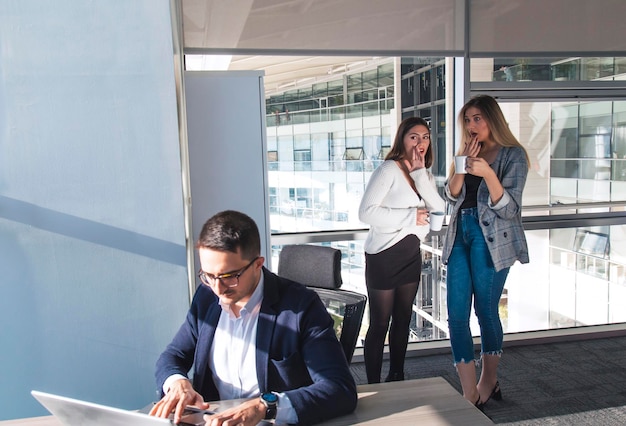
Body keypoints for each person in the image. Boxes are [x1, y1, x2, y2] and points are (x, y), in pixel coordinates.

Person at [150, 210, 357, 426]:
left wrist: (265, 406)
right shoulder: (206, 298)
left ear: (258, 264)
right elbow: (173, 355)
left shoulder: (301, 307)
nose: (218, 288)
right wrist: (177, 382)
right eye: (209, 276)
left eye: (229, 276)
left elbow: (339, 388)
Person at [441, 95, 530, 408]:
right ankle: (469, 391)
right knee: (455, 314)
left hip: (490, 237)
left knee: (485, 311)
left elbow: (510, 210)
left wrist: (489, 173)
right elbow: (449, 198)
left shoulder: (513, 155)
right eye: (467, 120)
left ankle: (488, 379)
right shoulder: (466, 153)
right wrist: (463, 166)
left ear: (493, 119)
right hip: (459, 234)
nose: (471, 125)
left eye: (476, 118)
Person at [358, 117, 445, 384]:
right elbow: (366, 213)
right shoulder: (388, 170)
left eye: (425, 137)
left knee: (403, 318)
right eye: (414, 137)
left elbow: (438, 217)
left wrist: (420, 177)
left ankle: (397, 374)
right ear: (402, 139)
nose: (420, 142)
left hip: (410, 254)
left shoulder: (425, 175)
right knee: (380, 322)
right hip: (384, 255)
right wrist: (411, 216)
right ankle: (373, 382)